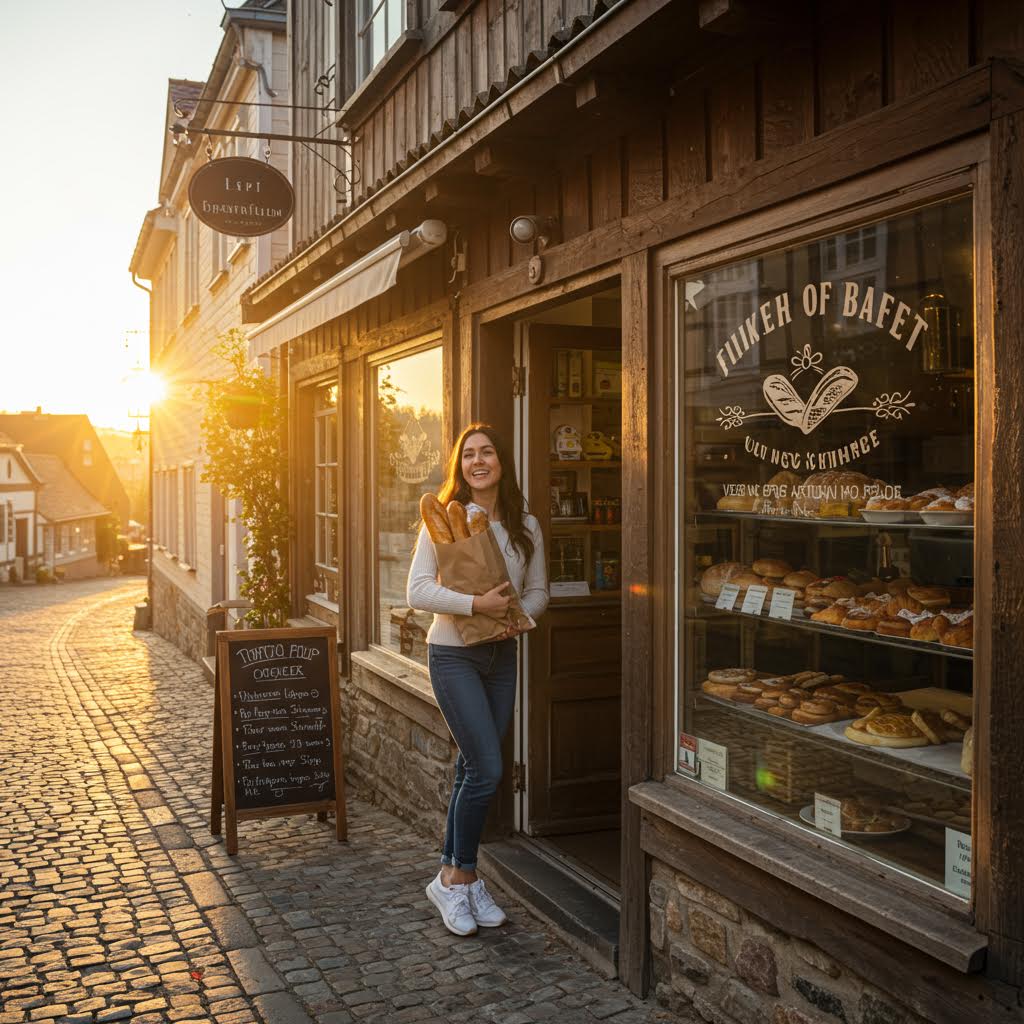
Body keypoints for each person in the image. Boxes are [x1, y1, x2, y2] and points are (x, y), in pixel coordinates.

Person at [407, 423, 549, 936]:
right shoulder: (440, 522)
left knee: (473, 767)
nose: (478, 461)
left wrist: (521, 617)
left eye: (487, 452)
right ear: (459, 466)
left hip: (500, 656)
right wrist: (476, 604)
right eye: (468, 455)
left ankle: (455, 882)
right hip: (452, 655)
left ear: (501, 463)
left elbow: (538, 591)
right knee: (488, 768)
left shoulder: (525, 526)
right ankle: (460, 875)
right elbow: (418, 591)